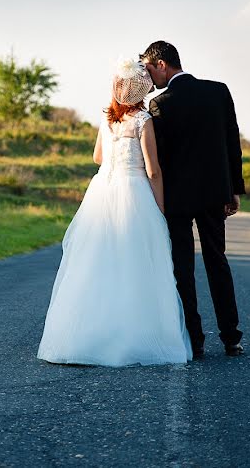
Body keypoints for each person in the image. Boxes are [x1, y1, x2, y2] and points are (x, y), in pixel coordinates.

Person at [36, 57, 193, 366]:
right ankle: (135, 336)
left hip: (103, 193)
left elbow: (97, 157)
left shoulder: (107, 119)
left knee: (96, 261)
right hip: (134, 192)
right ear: (143, 90)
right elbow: (153, 170)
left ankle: (81, 337)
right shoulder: (143, 121)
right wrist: (160, 209)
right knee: (135, 264)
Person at [141, 40, 246, 357]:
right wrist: (234, 190)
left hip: (178, 199)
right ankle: (231, 337)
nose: (149, 80)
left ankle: (195, 340)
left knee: (182, 267)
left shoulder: (161, 104)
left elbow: (161, 159)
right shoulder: (219, 91)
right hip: (216, 193)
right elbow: (232, 143)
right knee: (218, 261)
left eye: (149, 69)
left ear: (161, 64)